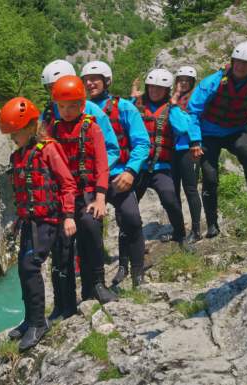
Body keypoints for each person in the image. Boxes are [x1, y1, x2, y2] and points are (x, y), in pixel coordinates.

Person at [0, 97, 77, 351]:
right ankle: (30, 319)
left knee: (30, 265)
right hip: (31, 222)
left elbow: (67, 184)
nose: (12, 138)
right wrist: (19, 220)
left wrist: (68, 216)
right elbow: (25, 192)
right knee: (24, 268)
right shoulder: (19, 155)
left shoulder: (49, 150)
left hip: (50, 220)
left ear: (30, 128)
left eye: (15, 133)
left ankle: (38, 324)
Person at [187, 41, 247, 238]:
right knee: (209, 177)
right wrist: (195, 141)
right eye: (238, 61)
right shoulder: (213, 82)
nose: (240, 66)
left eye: (246, 63)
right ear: (232, 61)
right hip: (208, 134)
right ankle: (212, 224)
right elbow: (193, 112)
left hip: (236, 131)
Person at [45, 75, 118, 304]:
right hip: (61, 197)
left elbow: (101, 166)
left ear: (81, 105)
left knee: (90, 229)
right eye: (62, 106)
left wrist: (100, 198)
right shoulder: (52, 131)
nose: (66, 111)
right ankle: (63, 300)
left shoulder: (92, 129)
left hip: (87, 194)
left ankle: (95, 285)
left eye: (72, 106)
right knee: (62, 245)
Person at [80, 60, 150, 287]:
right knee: (89, 226)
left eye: (95, 79)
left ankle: (137, 274)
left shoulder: (125, 108)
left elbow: (141, 143)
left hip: (117, 174)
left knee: (131, 218)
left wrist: (130, 171)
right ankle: (95, 280)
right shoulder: (76, 109)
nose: (90, 83)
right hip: (89, 178)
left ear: (107, 81)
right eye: (86, 80)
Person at [131, 69, 198, 252]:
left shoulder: (170, 108)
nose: (154, 91)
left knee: (170, 199)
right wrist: (131, 99)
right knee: (128, 206)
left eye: (159, 88)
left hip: (161, 167)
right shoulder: (136, 105)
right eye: (151, 87)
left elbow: (183, 127)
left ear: (166, 90)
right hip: (137, 167)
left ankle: (181, 236)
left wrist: (175, 106)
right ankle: (130, 243)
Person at [172, 66, 204, 243]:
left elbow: (186, 125)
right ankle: (178, 230)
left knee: (190, 189)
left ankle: (196, 229)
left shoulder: (194, 100)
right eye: (180, 79)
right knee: (173, 191)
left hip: (189, 149)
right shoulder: (172, 99)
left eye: (187, 80)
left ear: (192, 83)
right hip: (173, 150)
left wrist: (196, 142)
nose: (183, 83)